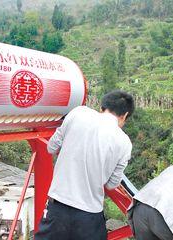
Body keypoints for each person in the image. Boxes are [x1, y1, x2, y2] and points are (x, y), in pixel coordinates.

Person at [34, 90, 135, 240]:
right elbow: (111, 185)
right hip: (89, 217)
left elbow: (51, 147)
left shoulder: (78, 114)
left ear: (102, 107)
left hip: (58, 209)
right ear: (125, 115)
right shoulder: (124, 142)